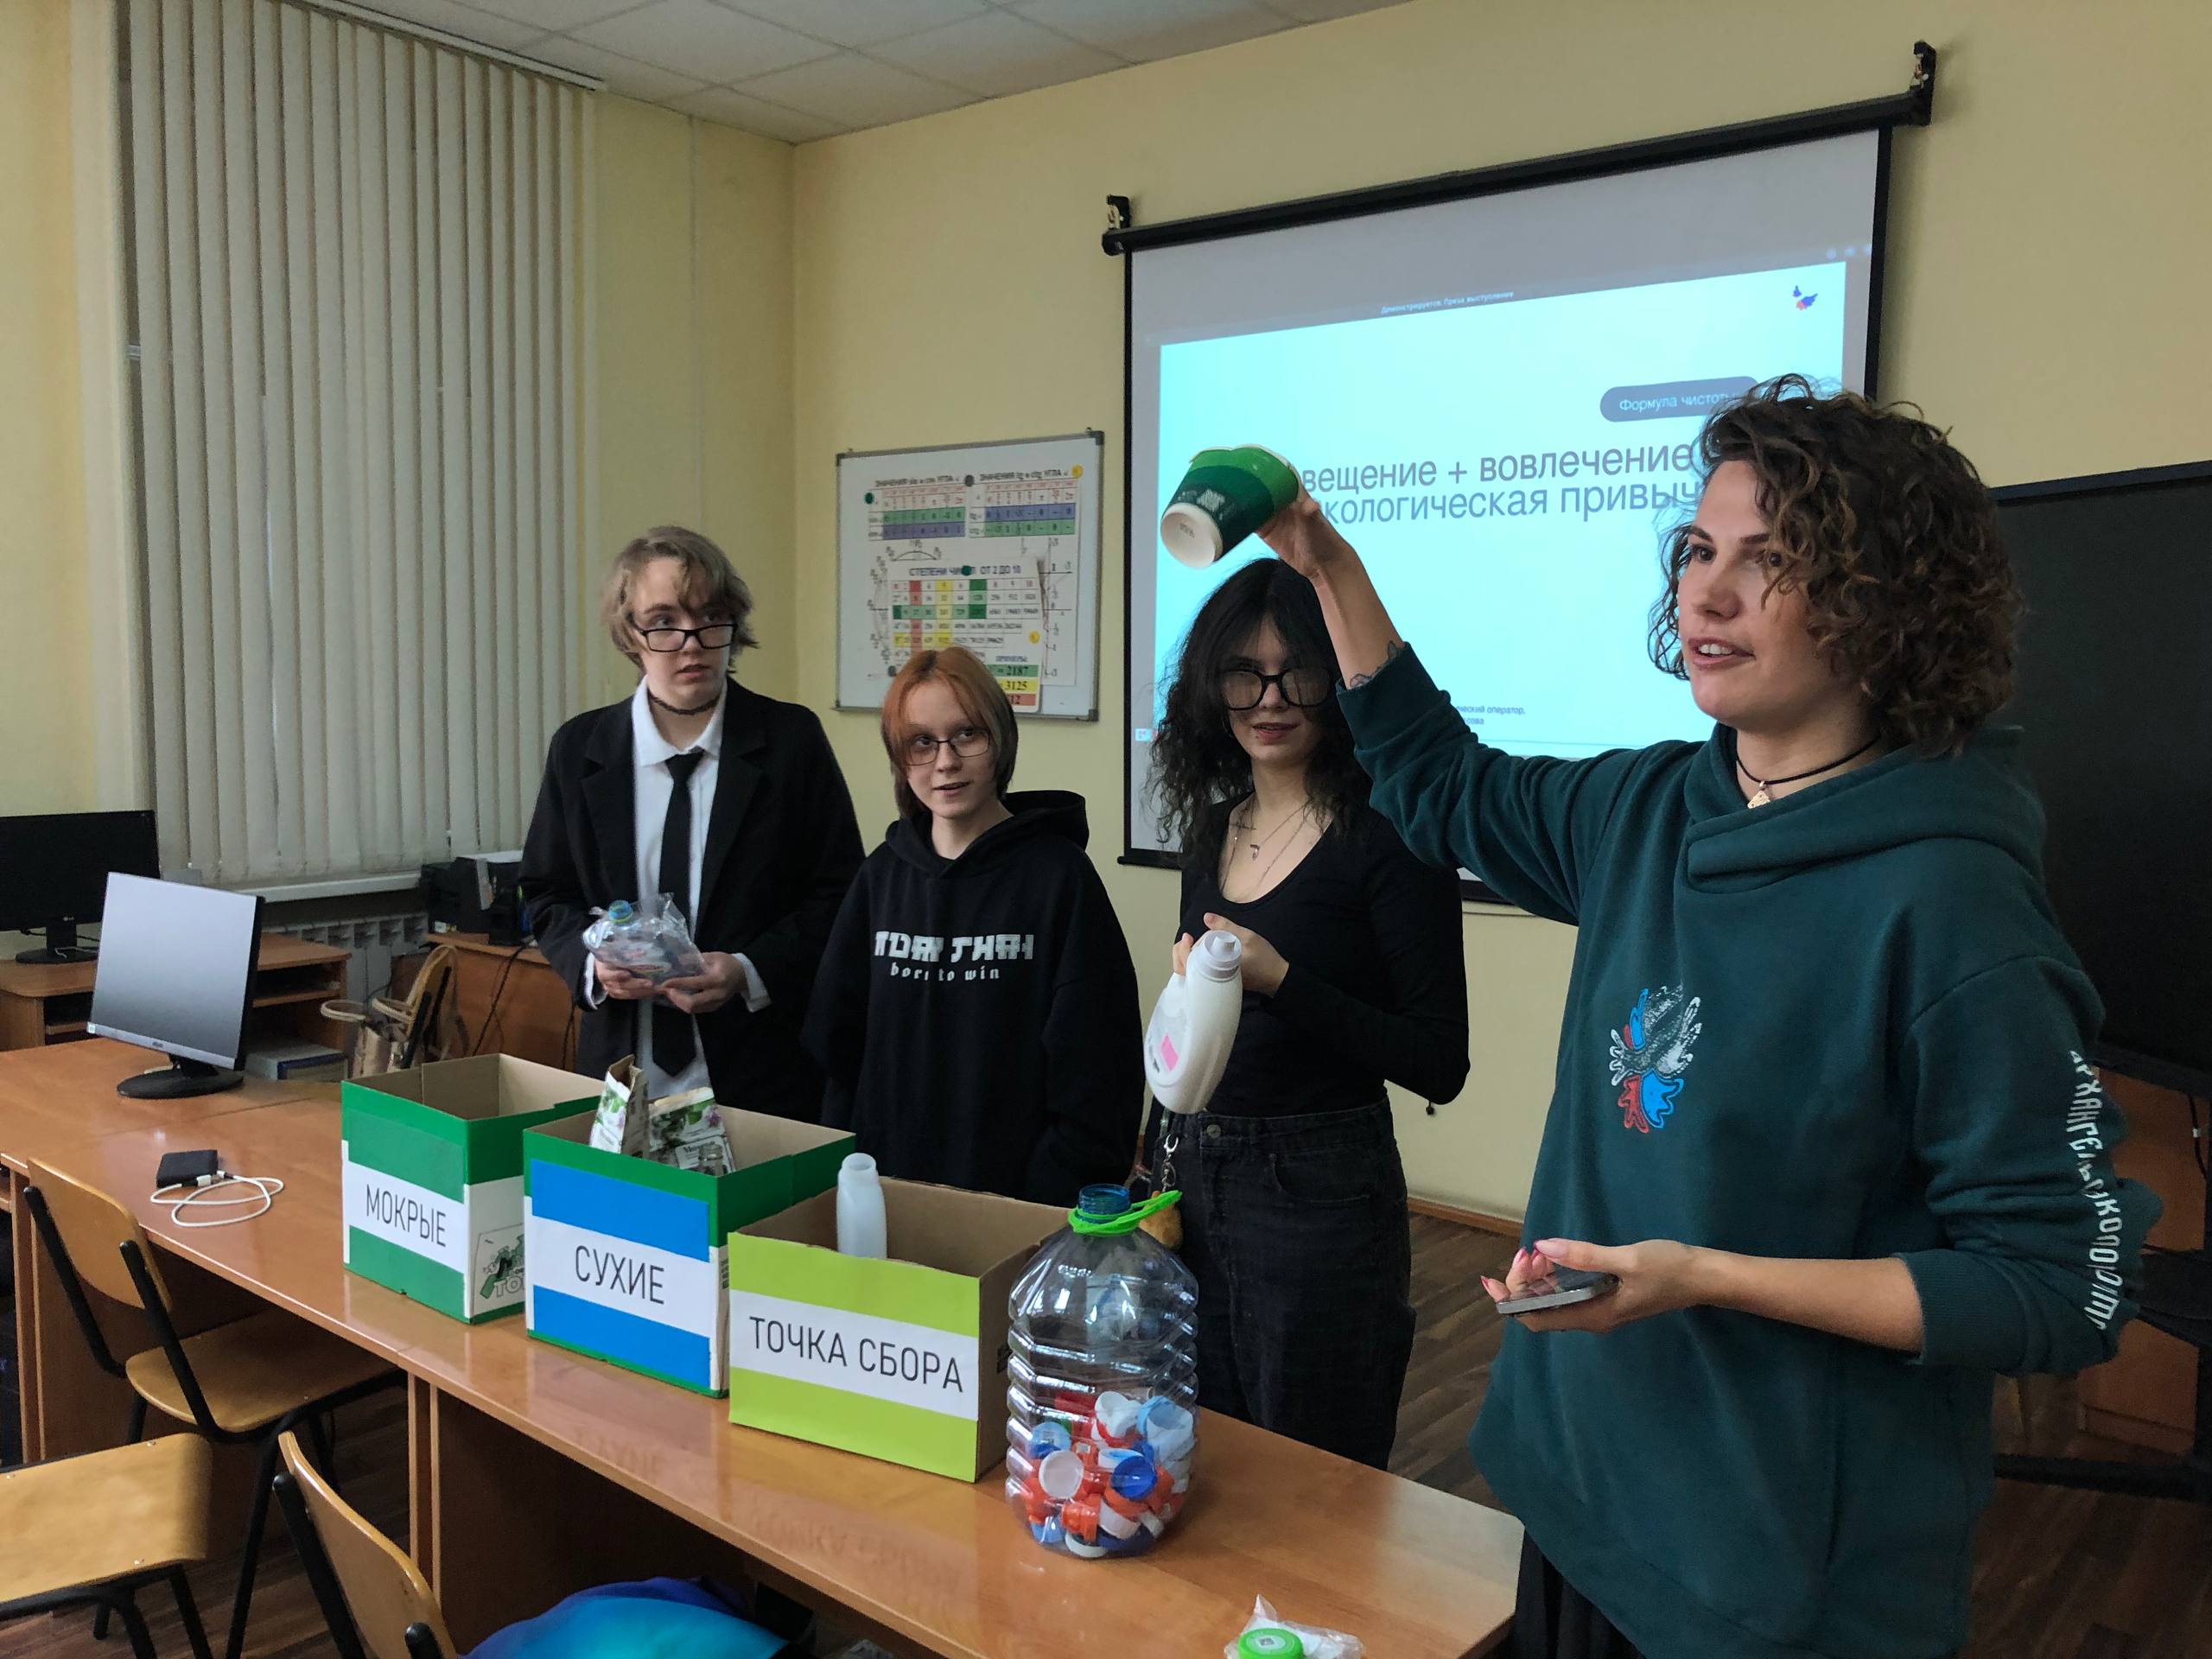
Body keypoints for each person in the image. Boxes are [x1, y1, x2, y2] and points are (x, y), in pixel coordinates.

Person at [1256, 377, 2158, 1659]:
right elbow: (1438, 781)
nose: (1706, 595)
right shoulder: (1649, 810)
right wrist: (1325, 563)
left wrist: (1704, 1278)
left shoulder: (1953, 907)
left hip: (1774, 1578)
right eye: (1696, 549)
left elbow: (2064, 1286)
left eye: (1770, 561)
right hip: (1577, 1495)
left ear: (1884, 606)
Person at [1145, 558, 1470, 1468]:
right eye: (1243, 675)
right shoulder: (1213, 830)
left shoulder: (1390, 835)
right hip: (1194, 1172)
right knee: (1203, 1460)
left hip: (1318, 1193)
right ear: (1211, 689)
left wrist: (1282, 979)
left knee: (1317, 1479)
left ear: (1338, 681)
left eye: (1299, 673)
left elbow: (1439, 1061)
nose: (1270, 699)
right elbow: (1194, 1031)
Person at [521, 526, 862, 1120]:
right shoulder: (580, 749)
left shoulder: (791, 741)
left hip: (761, 1068)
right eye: (664, 621)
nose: (692, 643)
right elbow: (548, 892)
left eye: (711, 619)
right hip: (622, 1068)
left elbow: (840, 894)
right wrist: (593, 967)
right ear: (630, 633)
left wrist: (748, 970)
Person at [803, 647, 1141, 1204]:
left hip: (1016, 1206)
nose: (946, 761)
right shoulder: (880, 877)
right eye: (921, 742)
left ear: (1000, 738)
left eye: (966, 734)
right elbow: (836, 1051)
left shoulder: (1059, 879)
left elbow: (1099, 1070)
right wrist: (846, 1176)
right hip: (882, 1197)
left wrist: (1046, 1197)